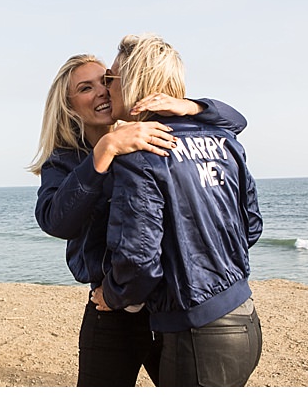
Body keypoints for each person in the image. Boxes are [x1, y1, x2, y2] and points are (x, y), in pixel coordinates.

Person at [29, 52, 249, 387]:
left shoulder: (145, 136)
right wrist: (105, 151)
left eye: (105, 81)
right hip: (110, 309)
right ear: (69, 106)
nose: (102, 91)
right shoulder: (64, 161)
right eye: (86, 88)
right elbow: (56, 222)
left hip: (167, 304)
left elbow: (234, 123)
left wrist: (191, 106)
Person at [92, 33, 263, 386]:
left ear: (135, 81)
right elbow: (251, 227)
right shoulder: (225, 141)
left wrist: (110, 294)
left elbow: (139, 259)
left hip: (197, 334)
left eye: (111, 78)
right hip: (244, 318)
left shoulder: (143, 154)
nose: (106, 88)